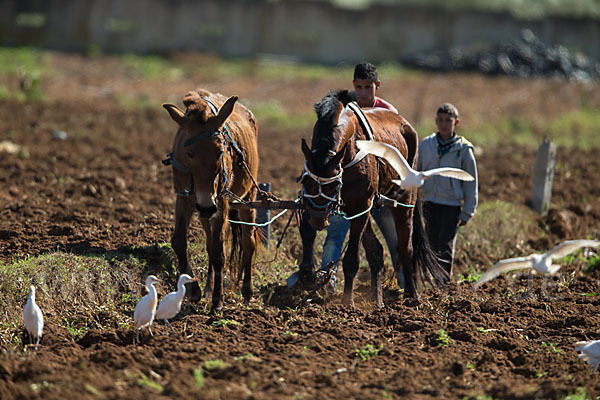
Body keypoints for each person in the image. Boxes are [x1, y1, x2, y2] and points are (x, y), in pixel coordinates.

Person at [319, 62, 400, 289]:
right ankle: (326, 284)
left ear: (377, 86)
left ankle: (403, 282)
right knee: (334, 238)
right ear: (353, 85)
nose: (363, 93)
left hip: (381, 190)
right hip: (346, 191)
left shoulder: (388, 114)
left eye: (368, 88)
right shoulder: (345, 112)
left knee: (394, 239)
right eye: (360, 87)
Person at [417, 103, 478, 276]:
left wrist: (468, 211)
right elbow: (418, 172)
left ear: (456, 122)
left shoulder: (463, 149)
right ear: (436, 121)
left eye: (448, 120)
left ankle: (442, 283)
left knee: (445, 246)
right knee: (430, 243)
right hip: (430, 202)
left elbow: (471, 182)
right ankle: (429, 281)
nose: (444, 124)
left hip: (450, 205)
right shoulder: (426, 145)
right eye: (441, 120)